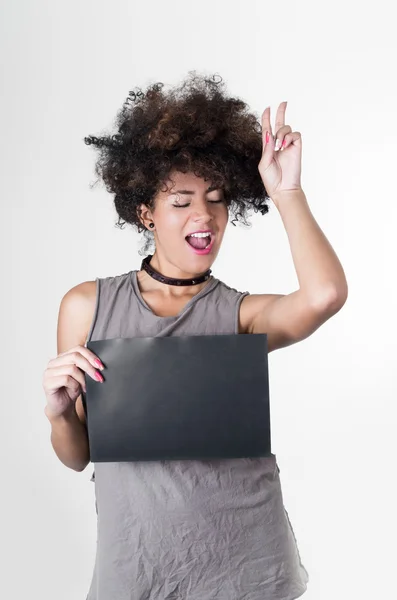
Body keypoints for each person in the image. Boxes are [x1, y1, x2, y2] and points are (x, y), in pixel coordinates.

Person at [42, 72, 348, 600]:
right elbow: (78, 456)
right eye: (181, 201)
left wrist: (288, 192)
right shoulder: (87, 305)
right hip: (137, 563)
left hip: (247, 564)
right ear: (146, 213)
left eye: (216, 197)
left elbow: (323, 296)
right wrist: (59, 412)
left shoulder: (241, 314)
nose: (203, 214)